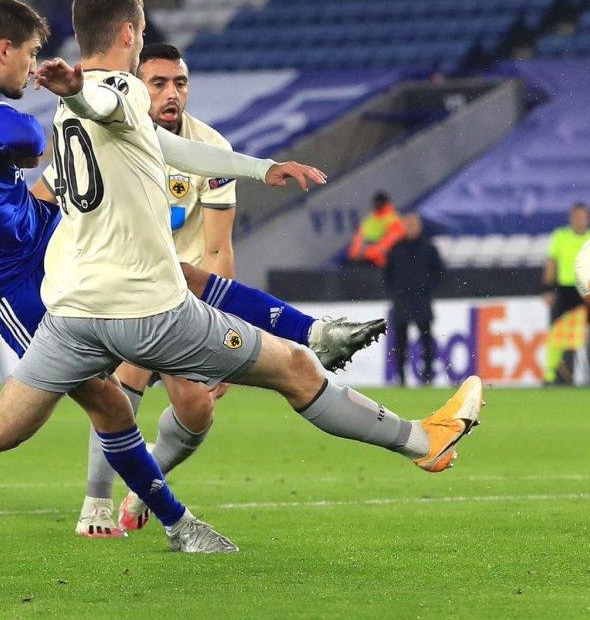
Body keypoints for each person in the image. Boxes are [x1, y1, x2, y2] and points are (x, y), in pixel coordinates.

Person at [0, 0, 382, 572]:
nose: (31, 69)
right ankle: (171, 520)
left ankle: (315, 332)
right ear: (3, 49)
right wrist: (22, 147)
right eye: (29, 55)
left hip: (39, 234)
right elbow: (21, 134)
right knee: (80, 410)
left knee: (175, 274)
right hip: (8, 279)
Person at [62, 42, 385, 537]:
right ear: (135, 86)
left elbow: (217, 251)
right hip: (128, 291)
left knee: (195, 410)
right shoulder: (111, 139)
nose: (172, 93)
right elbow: (53, 192)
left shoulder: (209, 150)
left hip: (187, 299)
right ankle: (96, 505)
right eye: (159, 83)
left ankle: (145, 482)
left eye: (181, 83)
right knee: (122, 382)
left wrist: (223, 330)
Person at [542, 202, 590, 385]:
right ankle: (549, 375)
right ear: (571, 219)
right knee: (558, 331)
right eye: (576, 217)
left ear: (588, 219)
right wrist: (547, 289)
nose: (579, 221)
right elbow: (552, 263)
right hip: (567, 289)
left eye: (582, 218)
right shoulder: (560, 236)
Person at [383, 214, 445, 386]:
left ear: (419, 226)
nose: (411, 227)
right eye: (408, 224)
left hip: (421, 302)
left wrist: (427, 290)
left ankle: (428, 376)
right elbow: (387, 275)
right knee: (400, 342)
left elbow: (439, 273)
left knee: (426, 340)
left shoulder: (429, 249)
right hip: (401, 302)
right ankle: (401, 378)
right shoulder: (396, 249)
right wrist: (395, 293)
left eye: (414, 224)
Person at [346, 192, 404, 267]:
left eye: (380, 203)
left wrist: (364, 254)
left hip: (385, 264)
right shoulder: (369, 219)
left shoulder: (394, 220)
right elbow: (358, 240)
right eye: (377, 203)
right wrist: (354, 255)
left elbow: (387, 245)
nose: (378, 205)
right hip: (365, 261)